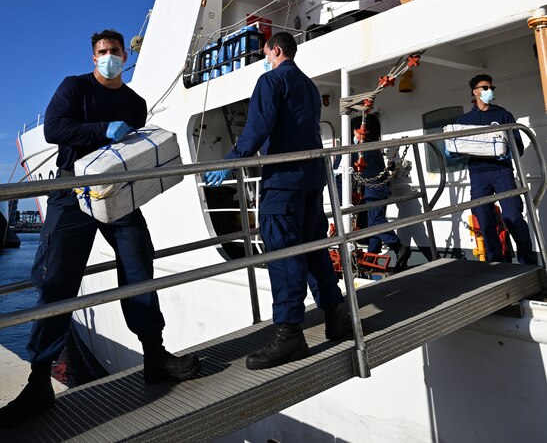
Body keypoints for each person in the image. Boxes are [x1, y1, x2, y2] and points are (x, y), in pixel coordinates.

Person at [0, 29, 200, 430]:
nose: (109, 57)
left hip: (115, 193)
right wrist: (102, 129)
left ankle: (154, 356)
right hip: (71, 192)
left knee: (139, 264)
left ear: (125, 55)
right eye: (102, 52)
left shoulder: (135, 104)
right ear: (94, 57)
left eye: (114, 51)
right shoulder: (73, 88)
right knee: (57, 281)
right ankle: (40, 382)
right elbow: (56, 129)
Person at [204, 31, 352, 370]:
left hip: (282, 183)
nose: (264, 58)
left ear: (276, 50)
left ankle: (289, 335)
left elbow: (257, 127)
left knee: (283, 255)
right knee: (313, 249)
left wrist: (231, 161)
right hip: (312, 182)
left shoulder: (271, 81)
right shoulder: (310, 88)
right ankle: (336, 316)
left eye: (266, 53)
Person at [456, 74, 535, 265]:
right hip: (478, 173)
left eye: (491, 88)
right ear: (475, 92)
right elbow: (458, 147)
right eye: (484, 88)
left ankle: (528, 263)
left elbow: (518, 146)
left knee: (512, 216)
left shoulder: (503, 115)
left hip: (502, 172)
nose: (489, 91)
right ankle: (496, 264)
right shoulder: (464, 120)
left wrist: (506, 151)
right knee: (483, 217)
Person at [353, 114, 411, 271]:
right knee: (375, 222)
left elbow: (342, 171)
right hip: (380, 188)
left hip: (372, 188)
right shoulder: (373, 146)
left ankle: (398, 246)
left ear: (359, 131)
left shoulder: (359, 148)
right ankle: (372, 259)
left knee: (376, 222)